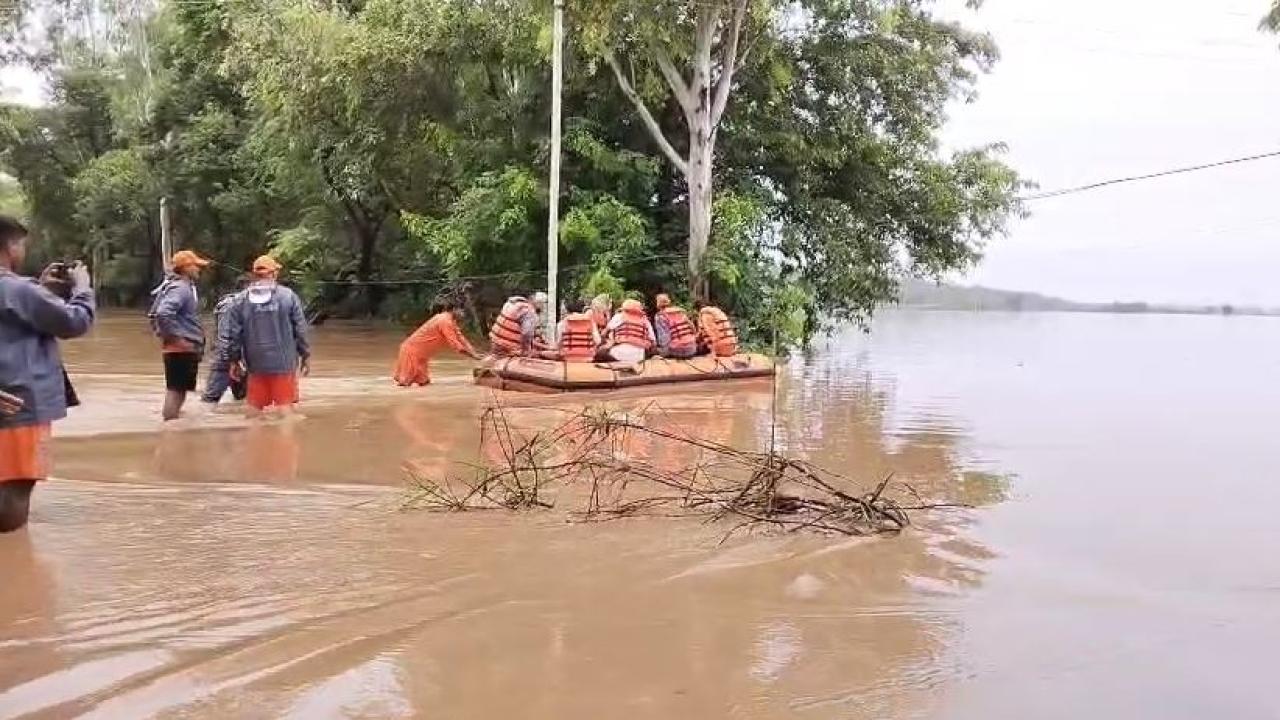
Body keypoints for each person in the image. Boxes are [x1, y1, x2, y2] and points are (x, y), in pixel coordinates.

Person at [0, 215, 95, 532]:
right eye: (21, 244)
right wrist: (84, 290)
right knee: (15, 488)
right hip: (20, 402)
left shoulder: (21, 291)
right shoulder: (15, 289)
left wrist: (40, 290)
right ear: (10, 246)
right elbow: (73, 322)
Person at [225, 255, 311, 415]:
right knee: (285, 409)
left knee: (254, 409)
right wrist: (305, 355)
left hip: (255, 364)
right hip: (283, 363)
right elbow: (300, 329)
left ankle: (254, 439)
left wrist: (234, 361)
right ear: (274, 274)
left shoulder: (240, 300)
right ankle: (284, 439)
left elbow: (233, 335)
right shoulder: (288, 296)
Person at [150, 249, 210, 420]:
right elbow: (163, 314)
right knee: (176, 391)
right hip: (181, 348)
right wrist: (178, 339)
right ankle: (170, 429)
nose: (199, 270)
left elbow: (156, 315)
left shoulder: (172, 286)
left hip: (177, 348)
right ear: (186, 268)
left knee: (178, 390)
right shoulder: (181, 289)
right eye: (196, 266)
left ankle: (174, 426)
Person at [394, 301, 482, 386]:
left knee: (423, 383)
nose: (464, 314)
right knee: (406, 385)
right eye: (462, 310)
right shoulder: (445, 321)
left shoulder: (448, 320)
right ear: (454, 309)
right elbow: (457, 346)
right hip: (412, 353)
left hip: (420, 355)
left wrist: (474, 353)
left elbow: (462, 339)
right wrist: (473, 356)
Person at [202, 275, 251, 404]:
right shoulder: (230, 306)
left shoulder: (245, 305)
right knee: (210, 399)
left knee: (242, 399)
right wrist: (230, 360)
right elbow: (225, 335)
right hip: (225, 359)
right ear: (245, 288)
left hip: (240, 358)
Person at [488, 291, 548, 356]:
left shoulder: (512, 303)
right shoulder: (529, 311)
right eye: (543, 305)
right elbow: (526, 333)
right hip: (508, 346)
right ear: (538, 303)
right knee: (534, 354)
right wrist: (526, 350)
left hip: (494, 341)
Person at [604, 297, 655, 363]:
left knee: (601, 353)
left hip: (618, 354)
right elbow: (653, 341)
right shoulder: (645, 321)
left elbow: (605, 332)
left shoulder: (619, 316)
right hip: (640, 356)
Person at [652, 293, 698, 359]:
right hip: (692, 349)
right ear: (669, 301)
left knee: (654, 350)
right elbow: (693, 329)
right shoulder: (681, 311)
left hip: (676, 350)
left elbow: (664, 338)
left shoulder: (659, 316)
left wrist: (663, 352)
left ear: (658, 304)